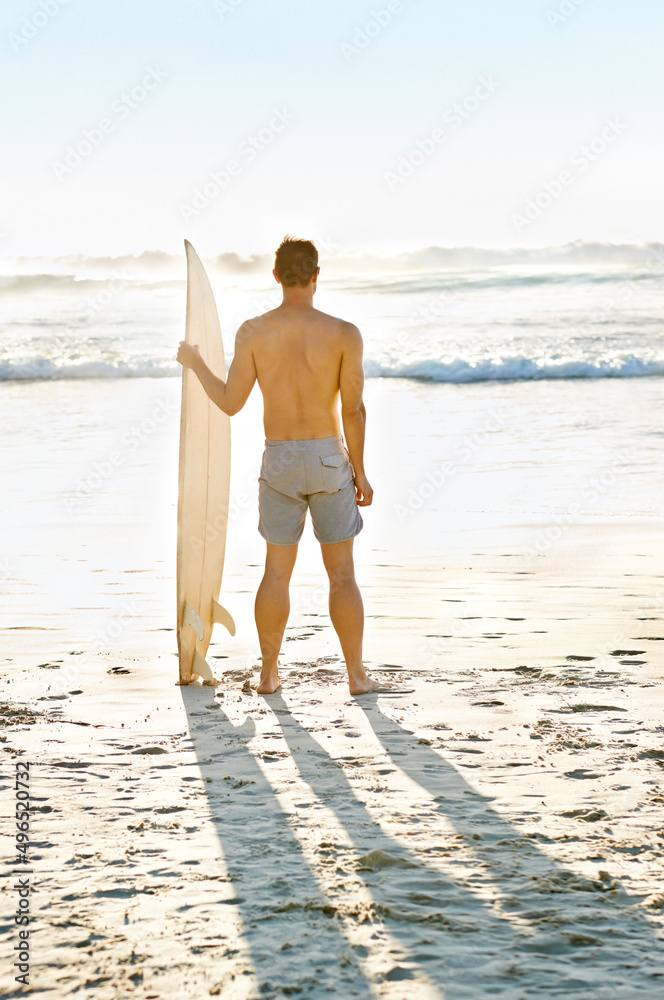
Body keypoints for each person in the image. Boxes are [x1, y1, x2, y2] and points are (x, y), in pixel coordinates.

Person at [177, 236, 385, 695]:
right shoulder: (344, 333)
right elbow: (354, 411)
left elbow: (230, 403)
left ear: (276, 277)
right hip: (330, 458)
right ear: (315, 277)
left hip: (281, 459)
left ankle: (269, 675)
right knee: (343, 575)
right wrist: (362, 472)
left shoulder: (253, 332)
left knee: (276, 573)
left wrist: (194, 362)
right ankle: (355, 676)